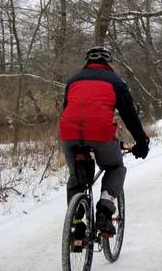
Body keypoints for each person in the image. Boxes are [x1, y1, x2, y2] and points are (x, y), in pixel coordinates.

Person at [59, 46, 149, 240]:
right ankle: (104, 212)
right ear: (109, 63)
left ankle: (76, 227)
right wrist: (142, 142)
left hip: (68, 133)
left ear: (87, 62)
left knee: (76, 176)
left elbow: (68, 108)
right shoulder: (116, 82)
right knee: (115, 166)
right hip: (100, 133)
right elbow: (130, 116)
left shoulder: (73, 80)